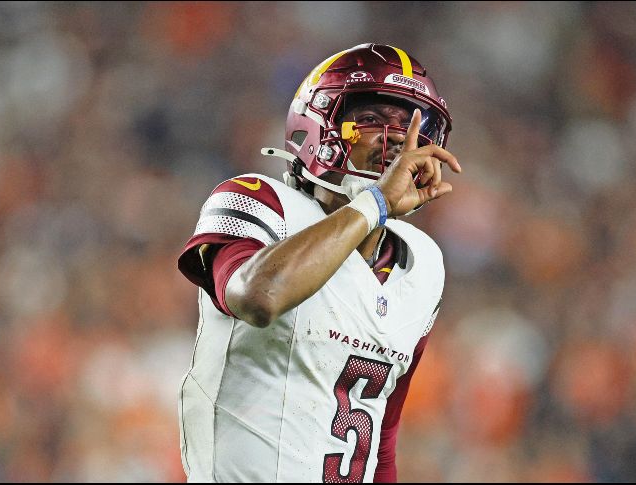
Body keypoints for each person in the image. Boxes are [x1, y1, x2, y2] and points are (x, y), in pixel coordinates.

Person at [177, 43, 461, 483]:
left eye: (409, 125)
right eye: (371, 119)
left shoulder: (424, 265)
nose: (397, 141)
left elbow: (380, 441)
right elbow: (258, 296)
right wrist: (375, 203)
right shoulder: (260, 200)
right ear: (319, 124)